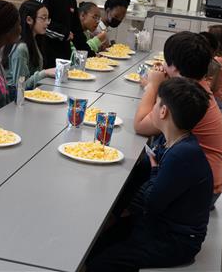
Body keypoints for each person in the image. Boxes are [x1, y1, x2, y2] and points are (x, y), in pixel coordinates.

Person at [86, 78, 213, 271]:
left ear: (163, 111)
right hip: (162, 224)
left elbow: (151, 201)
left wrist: (154, 169)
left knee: (100, 263)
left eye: (156, 103)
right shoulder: (172, 140)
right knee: (97, 242)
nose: (152, 108)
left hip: (177, 240)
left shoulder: (182, 155)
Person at [134, 32, 222, 205]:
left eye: (166, 61)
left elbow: (140, 126)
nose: (162, 65)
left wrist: (153, 85)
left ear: (175, 68)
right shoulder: (198, 87)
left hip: (199, 190)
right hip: (208, 179)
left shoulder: (184, 98)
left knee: (133, 179)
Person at [34, 0, 94, 68]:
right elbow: (37, 23)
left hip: (63, 55)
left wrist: (91, 55)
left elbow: (77, 32)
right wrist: (63, 33)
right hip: (44, 51)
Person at [3, 0, 55, 92]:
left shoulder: (34, 40)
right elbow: (20, 85)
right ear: (29, 20)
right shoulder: (21, 48)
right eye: (43, 18)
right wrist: (45, 73)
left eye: (48, 19)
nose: (47, 22)